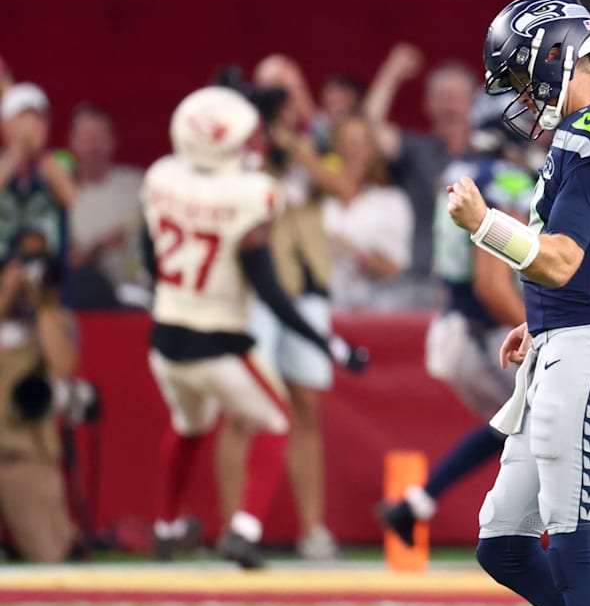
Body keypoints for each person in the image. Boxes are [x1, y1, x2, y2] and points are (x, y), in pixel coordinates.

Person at [447, 0, 590, 606]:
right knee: (503, 543)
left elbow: (562, 259)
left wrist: (483, 224)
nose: (517, 92)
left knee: (575, 551)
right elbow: (574, 262)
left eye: (518, 73)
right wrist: (540, 316)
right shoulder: (583, 131)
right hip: (566, 342)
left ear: (552, 53)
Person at [141, 86, 364, 569]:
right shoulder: (251, 196)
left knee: (189, 424)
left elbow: (149, 256)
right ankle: (244, 530)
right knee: (276, 420)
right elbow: (271, 292)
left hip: (164, 337)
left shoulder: (162, 177)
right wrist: (328, 344)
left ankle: (165, 526)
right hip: (217, 340)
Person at [233, 56, 367, 561]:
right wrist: (258, 141)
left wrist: (291, 142)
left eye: (289, 90)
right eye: (273, 93)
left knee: (306, 406)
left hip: (307, 281)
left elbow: (344, 186)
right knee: (244, 406)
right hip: (255, 285)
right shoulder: (238, 139)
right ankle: (234, 528)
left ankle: (313, 530)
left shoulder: (320, 139)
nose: (283, 103)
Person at [379, 139, 534, 544]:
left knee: (514, 425)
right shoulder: (507, 181)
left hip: (457, 324)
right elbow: (491, 285)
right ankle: (531, 536)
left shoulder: (460, 172)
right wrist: (541, 328)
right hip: (485, 332)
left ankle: (416, 505)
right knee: (542, 424)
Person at [0, 229, 79, 562]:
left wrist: (43, 306)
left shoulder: (56, 319)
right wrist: (6, 294)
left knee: (49, 555)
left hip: (23, 450)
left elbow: (62, 366)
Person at [363, 43, 473, 281]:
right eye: (442, 98)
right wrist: (392, 72)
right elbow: (370, 129)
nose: (450, 107)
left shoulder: (488, 157)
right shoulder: (416, 150)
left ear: (473, 104)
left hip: (474, 281)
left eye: (457, 98)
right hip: (422, 278)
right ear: (428, 104)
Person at [322, 116, 414, 311]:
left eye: (359, 143)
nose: (352, 150)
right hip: (324, 308)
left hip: (376, 310)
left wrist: (355, 252)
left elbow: (395, 268)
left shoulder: (392, 201)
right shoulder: (320, 202)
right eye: (345, 142)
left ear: (373, 150)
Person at [66, 104, 146, 309]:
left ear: (113, 142)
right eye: (87, 139)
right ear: (73, 143)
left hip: (142, 293)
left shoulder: (140, 184)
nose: (94, 147)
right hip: (91, 299)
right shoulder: (63, 193)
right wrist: (99, 246)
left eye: (100, 138)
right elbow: (62, 265)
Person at [0, 84, 75, 263]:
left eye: (38, 118)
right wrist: (17, 152)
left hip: (47, 265)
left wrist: (39, 154)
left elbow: (77, 204)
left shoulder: (61, 161)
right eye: (22, 118)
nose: (31, 125)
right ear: (5, 125)